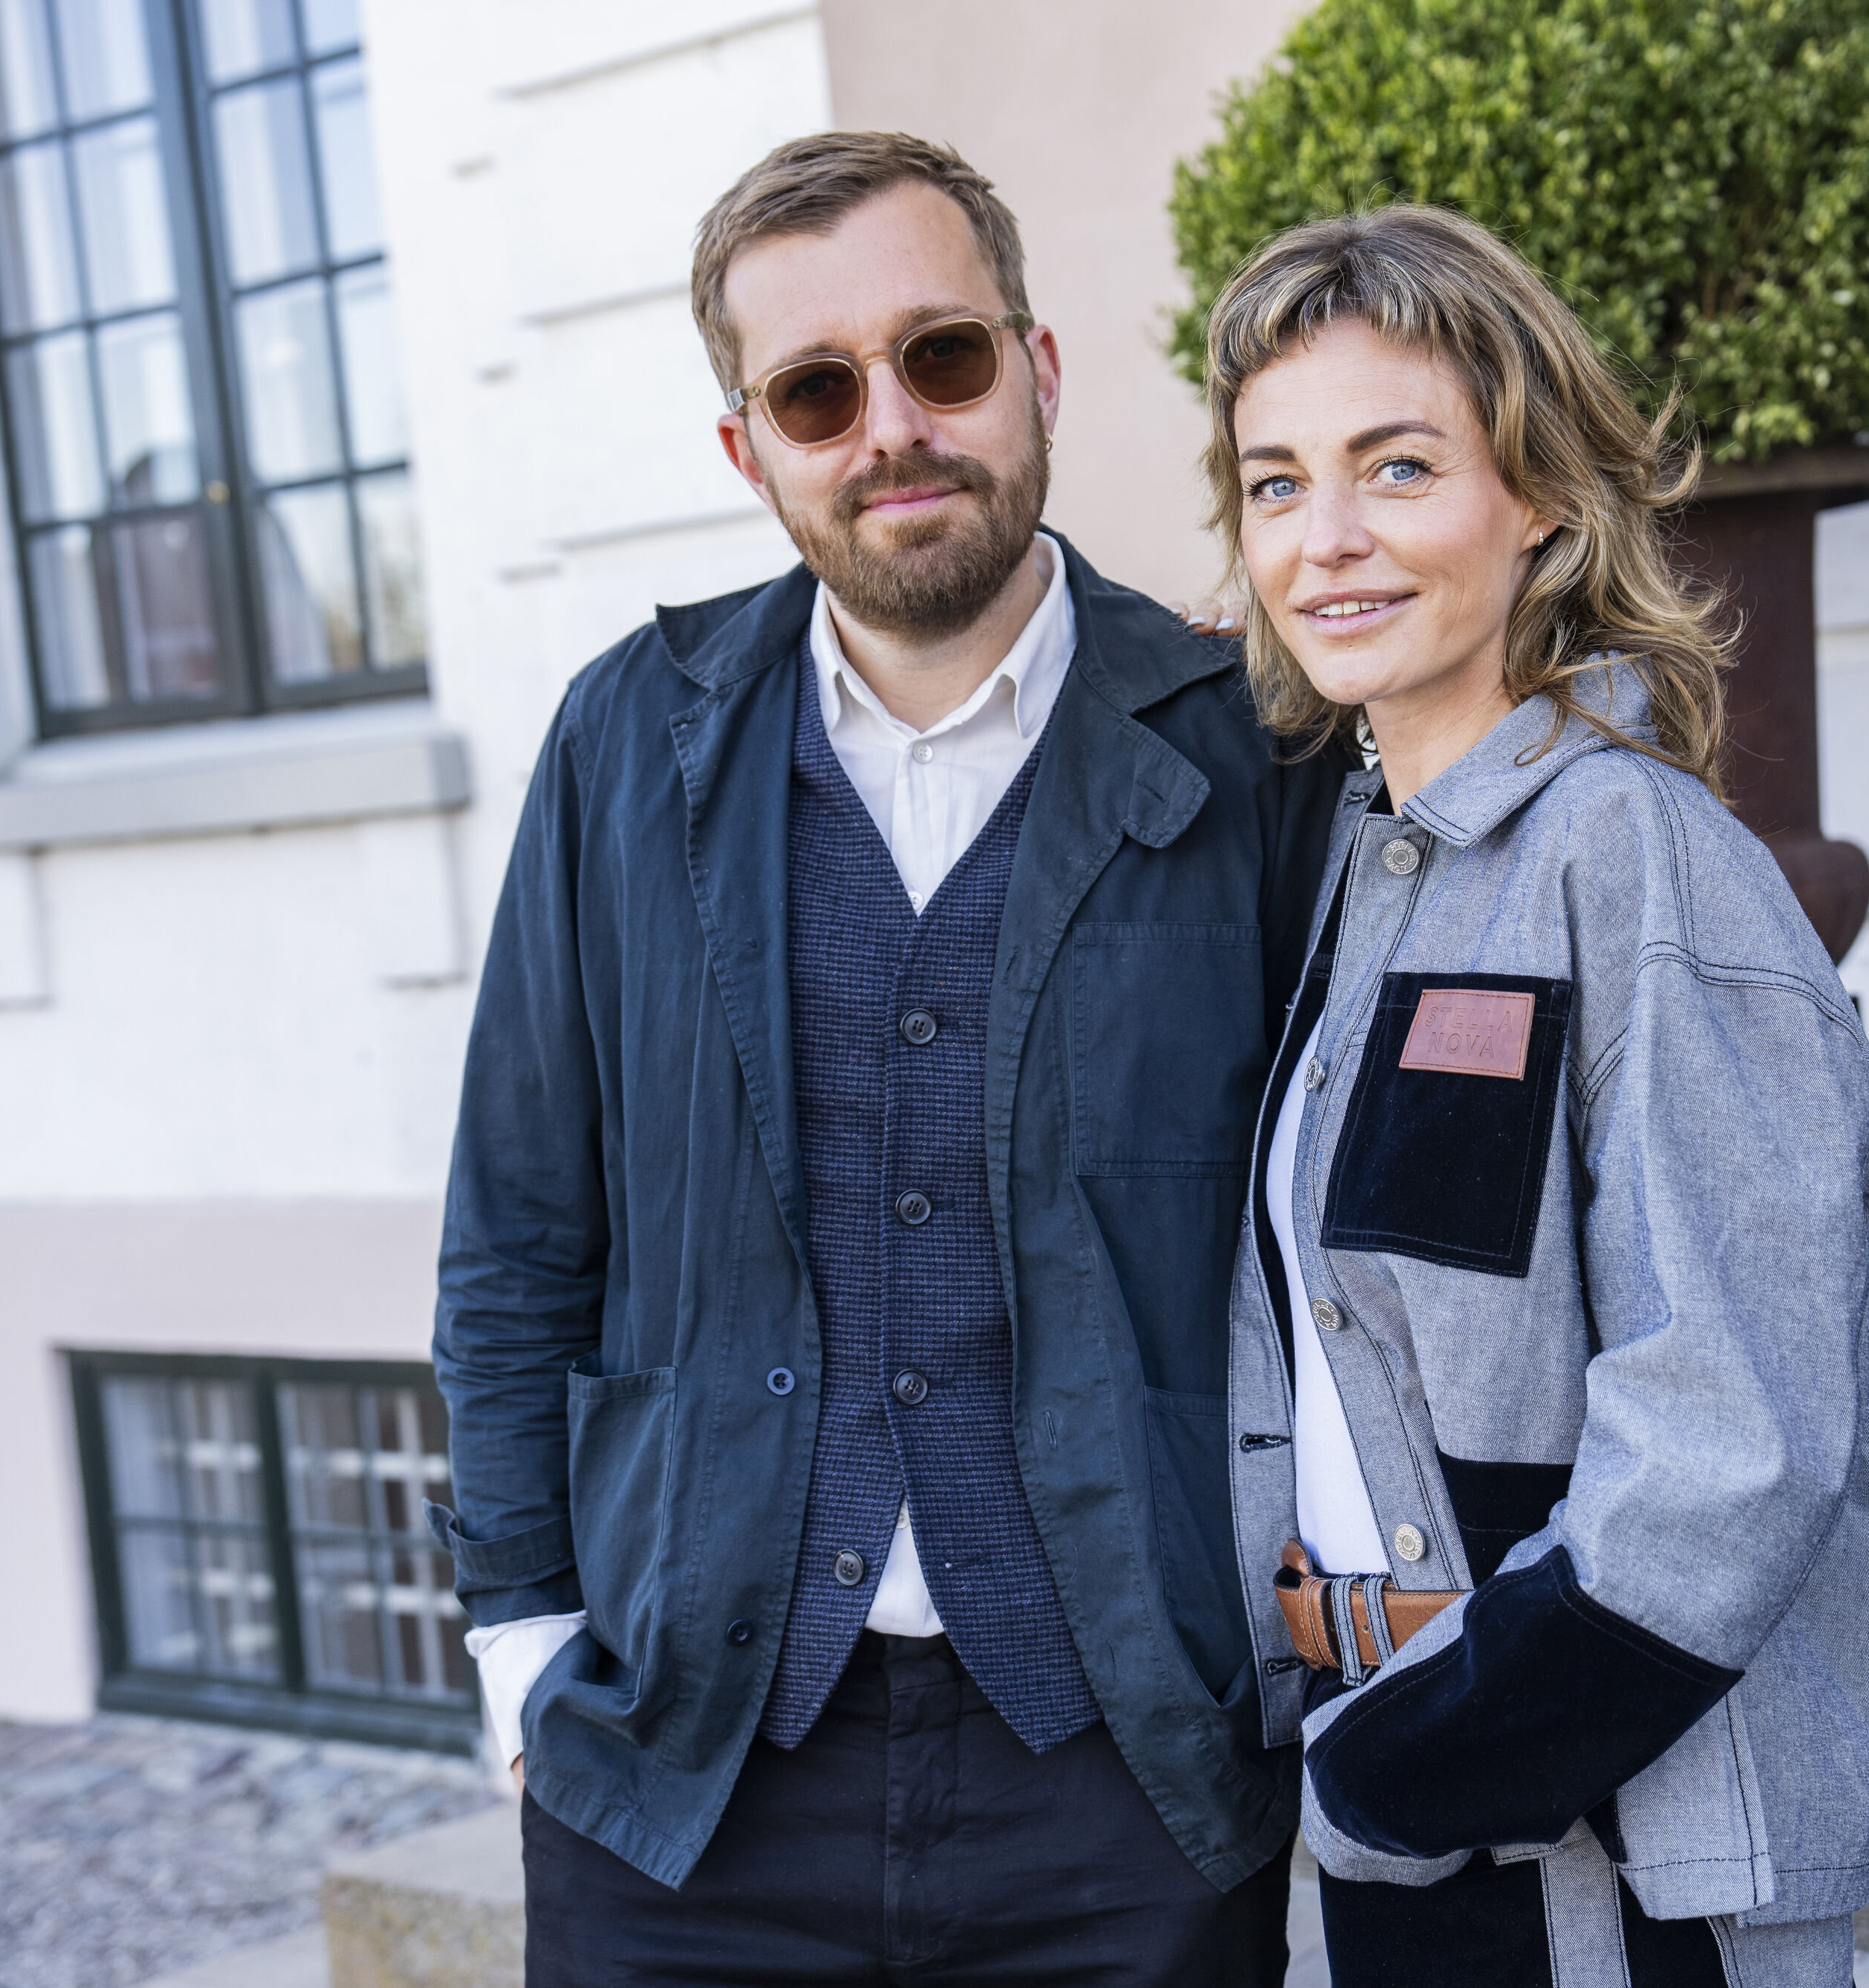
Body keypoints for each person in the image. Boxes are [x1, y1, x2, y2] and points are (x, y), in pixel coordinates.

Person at [429, 131, 1344, 1986]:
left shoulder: (1253, 742)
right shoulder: (627, 745)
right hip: (682, 1782)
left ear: (1040, 370)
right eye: (815, 391)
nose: (891, 430)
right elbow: (518, 1233)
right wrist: (525, 1649)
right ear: (748, 446)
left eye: (943, 357)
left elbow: (1330, 1246)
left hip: (1126, 1779)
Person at [1206, 206, 1869, 1987]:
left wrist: (1393, 1779)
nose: (1330, 542)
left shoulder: (1643, 870)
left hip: (1622, 1854)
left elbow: (1730, 1440)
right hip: (1415, 1811)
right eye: (1277, 482)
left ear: (1536, 495)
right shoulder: (1356, 874)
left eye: (1396, 468)